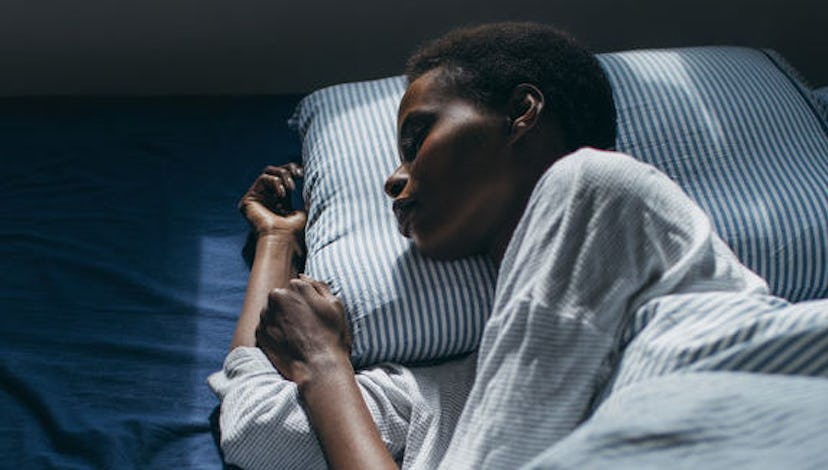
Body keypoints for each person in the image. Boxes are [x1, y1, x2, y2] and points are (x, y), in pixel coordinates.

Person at [210, 22, 828, 470]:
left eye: (419, 136)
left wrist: (323, 362)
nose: (393, 180)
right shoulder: (446, 389)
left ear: (522, 114)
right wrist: (277, 241)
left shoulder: (598, 188)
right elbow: (257, 426)